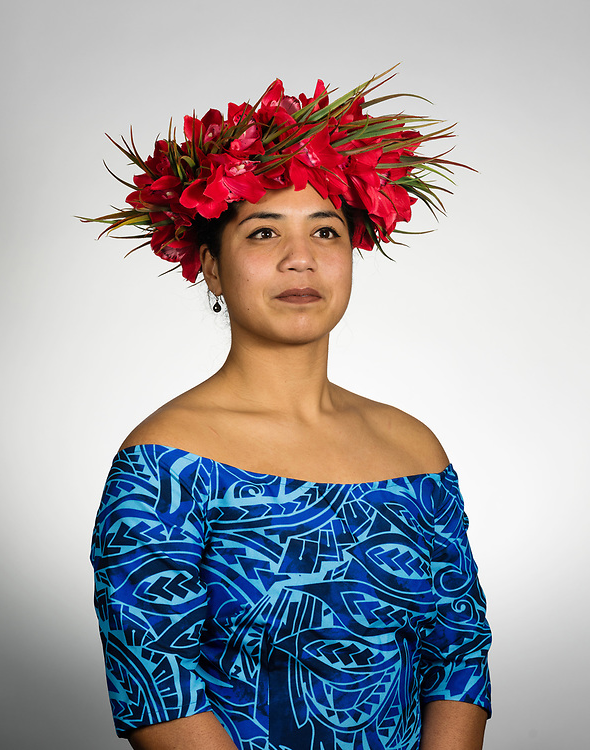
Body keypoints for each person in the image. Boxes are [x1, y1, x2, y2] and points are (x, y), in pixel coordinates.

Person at [89, 70, 491, 750]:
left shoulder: (416, 450)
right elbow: (158, 692)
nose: (301, 259)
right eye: (264, 233)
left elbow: (459, 656)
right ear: (211, 268)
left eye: (326, 233)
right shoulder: (163, 464)